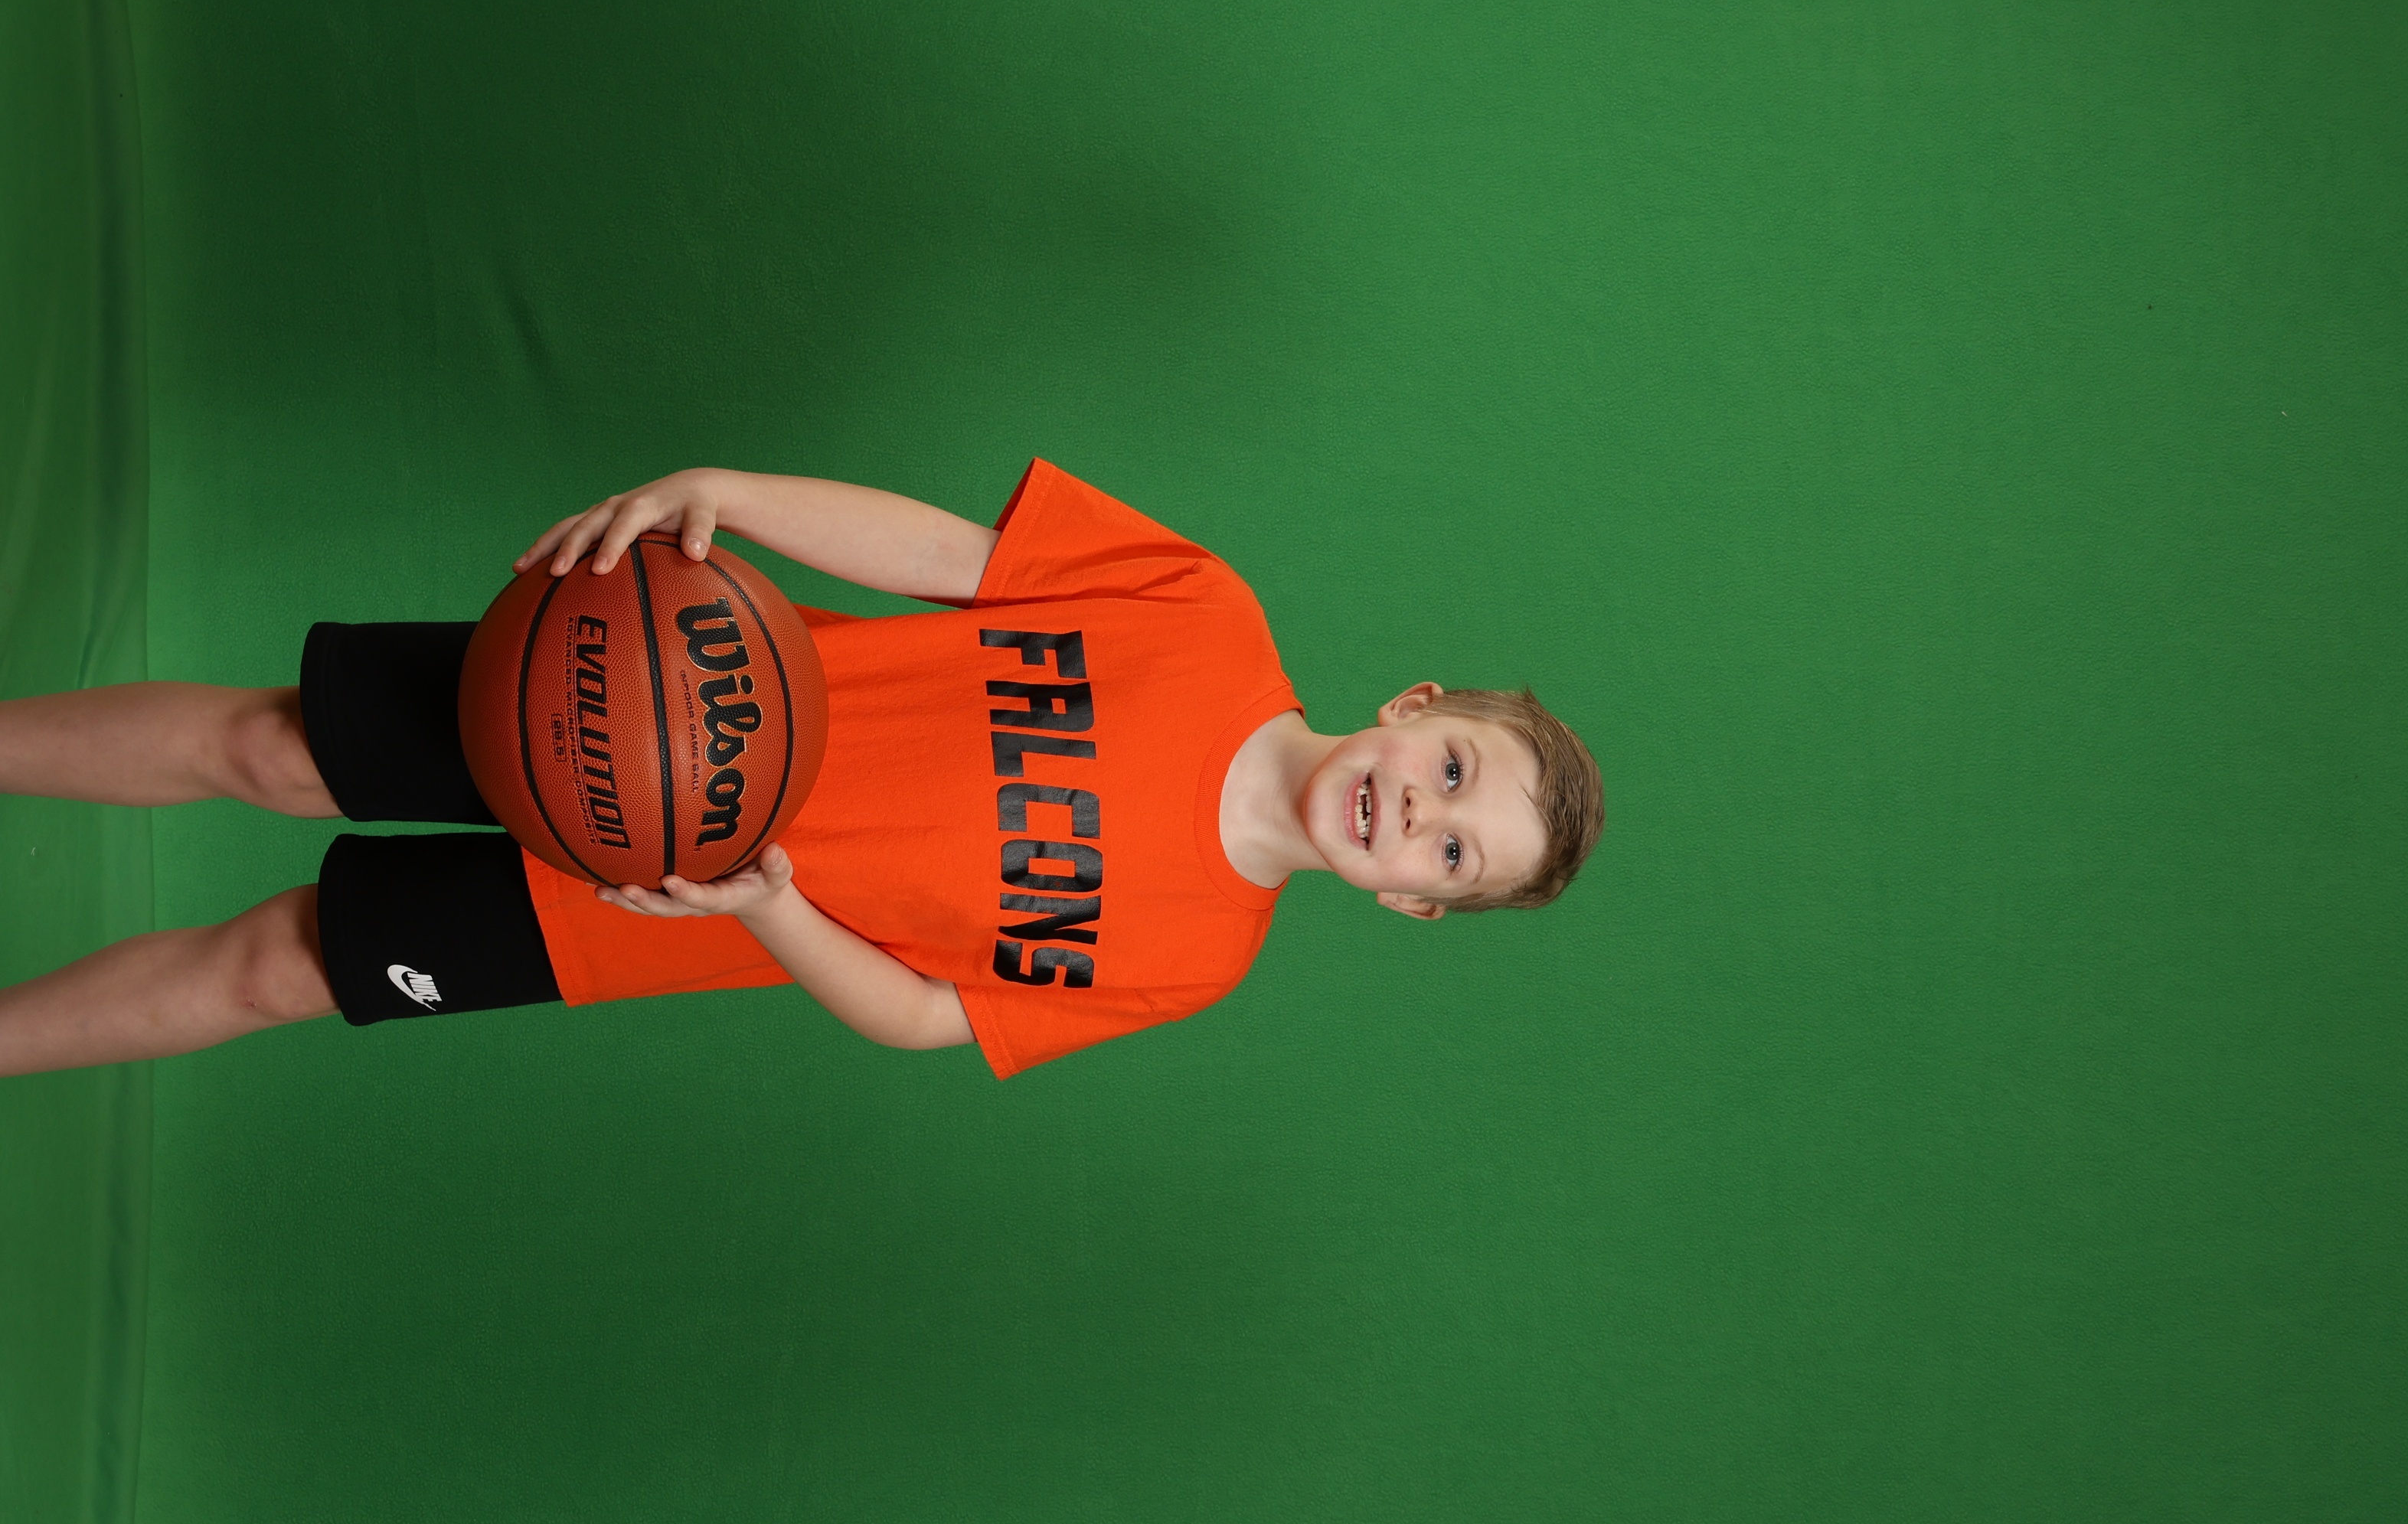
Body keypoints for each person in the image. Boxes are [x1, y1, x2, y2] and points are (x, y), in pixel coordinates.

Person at [0, 464, 1606, 1079]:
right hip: (628, 689)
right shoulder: (1205, 611)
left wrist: (764, 906)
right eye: (1455, 765)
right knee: (270, 743)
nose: (1425, 813)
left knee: (279, 966)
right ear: (1413, 705)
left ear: (1413, 906)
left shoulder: (1194, 960)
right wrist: (732, 493)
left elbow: (925, 1016)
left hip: (632, 910)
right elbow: (951, 555)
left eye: (1454, 852)